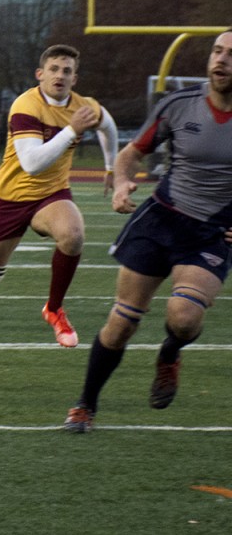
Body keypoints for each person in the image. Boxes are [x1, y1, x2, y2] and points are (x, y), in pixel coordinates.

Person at [64, 29, 232, 432]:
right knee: (122, 322)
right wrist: (122, 182)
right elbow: (131, 154)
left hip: (211, 231)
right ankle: (85, 405)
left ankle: (170, 353)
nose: (221, 60)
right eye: (217, 51)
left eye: (231, 55)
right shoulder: (178, 104)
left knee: (184, 318)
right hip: (161, 219)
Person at [0, 44, 119, 368]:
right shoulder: (26, 105)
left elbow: (108, 126)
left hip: (51, 195)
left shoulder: (84, 106)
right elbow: (32, 163)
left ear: (75, 78)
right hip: (10, 200)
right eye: (54, 69)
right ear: (40, 74)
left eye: (66, 71)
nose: (59, 75)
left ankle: (54, 308)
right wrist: (72, 130)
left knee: (73, 234)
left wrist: (110, 167)